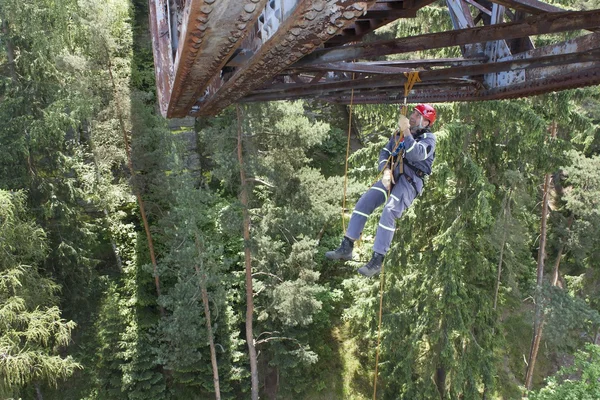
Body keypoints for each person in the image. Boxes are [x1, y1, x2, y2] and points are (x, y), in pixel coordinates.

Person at [325, 104, 437, 277]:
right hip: (393, 175)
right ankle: (347, 246)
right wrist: (385, 171)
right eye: (413, 113)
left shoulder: (429, 139)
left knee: (390, 210)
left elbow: (416, 154)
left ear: (426, 121)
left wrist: (406, 131)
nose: (412, 116)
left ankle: (377, 260)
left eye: (417, 114)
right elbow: (384, 153)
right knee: (365, 202)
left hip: (410, 181)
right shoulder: (399, 135)